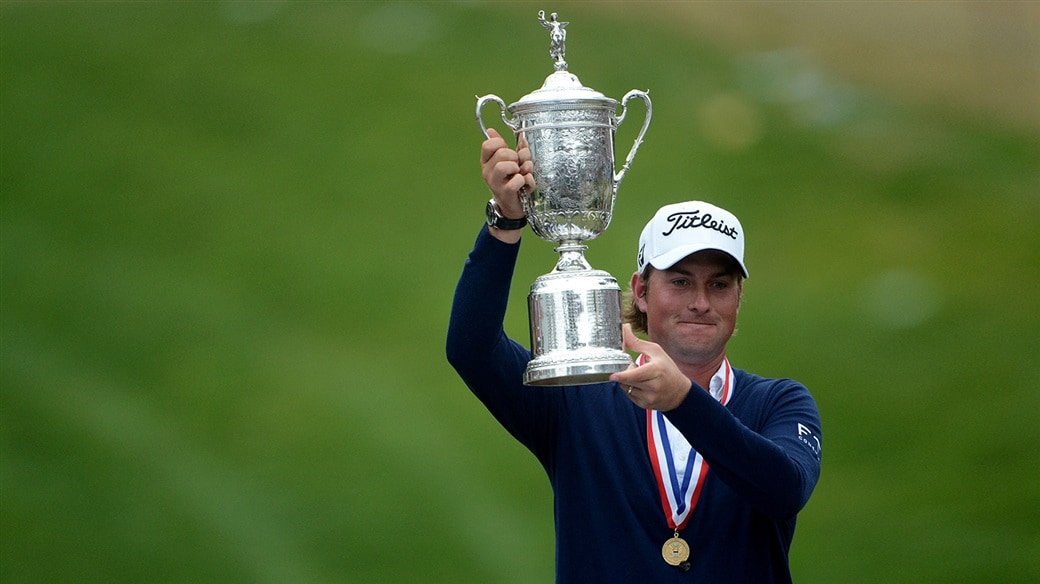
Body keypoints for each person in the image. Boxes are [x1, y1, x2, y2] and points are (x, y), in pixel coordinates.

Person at [446, 128, 823, 583]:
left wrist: (682, 400)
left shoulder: (779, 403)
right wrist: (505, 223)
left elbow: (784, 489)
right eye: (680, 282)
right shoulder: (578, 398)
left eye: (719, 285)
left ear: (738, 299)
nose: (701, 302)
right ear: (642, 292)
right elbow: (471, 347)